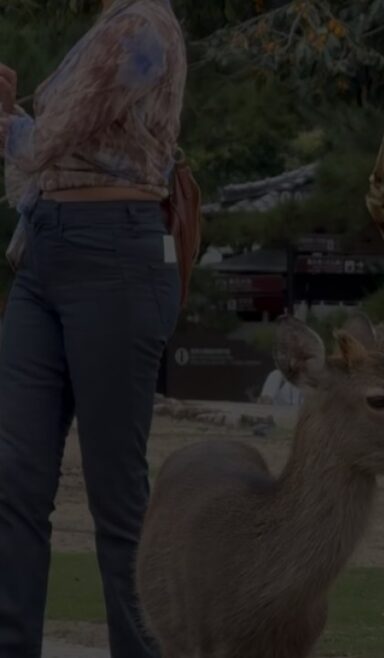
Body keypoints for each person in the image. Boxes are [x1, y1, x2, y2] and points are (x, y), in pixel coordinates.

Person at [0, 1, 187, 656]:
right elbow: (52, 154)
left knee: (116, 494)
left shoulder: (141, 30)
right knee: (14, 478)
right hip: (45, 254)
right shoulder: (109, 28)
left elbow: (44, 142)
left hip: (113, 259)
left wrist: (7, 120)